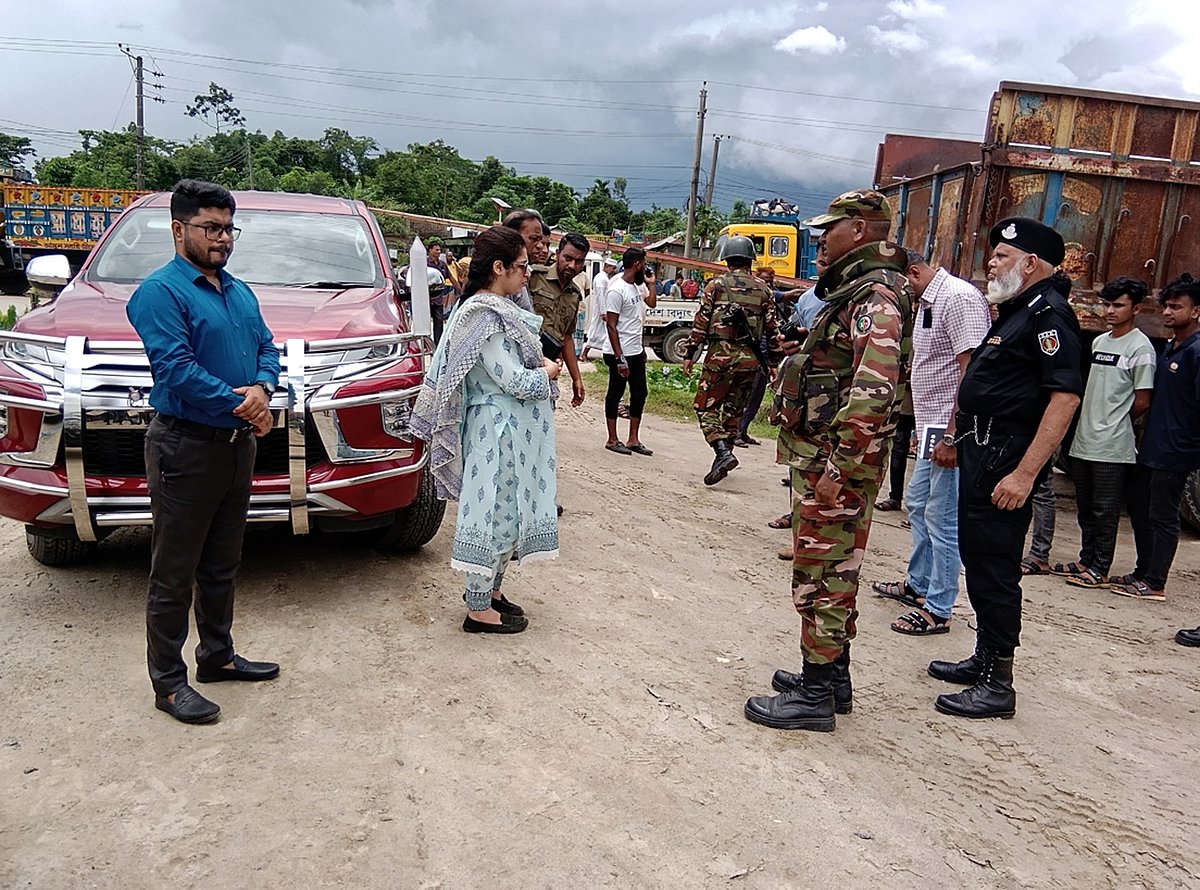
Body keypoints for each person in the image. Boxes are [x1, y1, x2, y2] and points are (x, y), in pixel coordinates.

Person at [744, 190, 913, 732]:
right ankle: (831, 678)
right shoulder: (859, 292)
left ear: (860, 231)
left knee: (822, 575)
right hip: (827, 457)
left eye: (829, 230)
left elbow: (873, 389)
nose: (819, 241)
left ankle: (815, 695)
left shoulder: (875, 299)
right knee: (833, 569)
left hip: (835, 463)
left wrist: (838, 468)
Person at [125, 179, 280, 725]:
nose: (222, 239)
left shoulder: (237, 290)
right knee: (174, 570)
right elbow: (176, 370)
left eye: (228, 228)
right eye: (210, 228)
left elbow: (266, 345)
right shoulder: (159, 294)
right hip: (185, 448)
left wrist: (262, 387)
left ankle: (217, 656)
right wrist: (247, 407)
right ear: (177, 229)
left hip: (236, 450)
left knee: (222, 563)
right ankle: (168, 683)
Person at [929, 217, 1082, 720]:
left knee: (996, 565)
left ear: (1030, 263)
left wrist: (1024, 474)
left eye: (1000, 256)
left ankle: (999, 683)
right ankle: (983, 658)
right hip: (983, 449)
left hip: (1006, 457)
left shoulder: (1050, 314)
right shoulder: (1017, 309)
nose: (991, 264)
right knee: (978, 556)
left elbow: (1064, 398)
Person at [411, 225, 561, 635]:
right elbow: (512, 379)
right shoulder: (483, 316)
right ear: (499, 268)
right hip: (494, 430)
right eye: (522, 265)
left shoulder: (494, 310)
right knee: (492, 512)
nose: (528, 272)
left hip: (508, 431)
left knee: (508, 510)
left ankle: (491, 592)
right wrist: (547, 371)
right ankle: (477, 609)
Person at [871, 248, 990, 636]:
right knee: (919, 505)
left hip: (948, 428)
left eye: (895, 282)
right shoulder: (927, 300)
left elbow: (971, 372)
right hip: (930, 427)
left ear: (912, 272)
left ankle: (940, 606)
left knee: (942, 517)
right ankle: (918, 585)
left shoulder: (958, 298)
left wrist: (954, 434)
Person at [1058, 278, 1155, 589]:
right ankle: (1086, 559)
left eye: (1118, 305)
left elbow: (1142, 400)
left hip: (1112, 445)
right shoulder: (1100, 343)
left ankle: (1100, 566)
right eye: (1107, 305)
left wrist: (1114, 422)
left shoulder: (1141, 347)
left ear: (1136, 308)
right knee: (1085, 506)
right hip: (1085, 439)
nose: (1110, 311)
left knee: (1105, 507)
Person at [1115, 273, 1200, 601]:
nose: (1167, 312)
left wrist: (1185, 442)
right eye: (1165, 306)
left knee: (1164, 515)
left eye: (1176, 307)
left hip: (1175, 449)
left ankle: (1155, 582)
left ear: (1195, 312)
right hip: (1153, 444)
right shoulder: (1170, 347)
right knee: (1141, 507)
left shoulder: (1195, 351)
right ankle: (1143, 570)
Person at [681, 236, 780, 485]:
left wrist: (690, 353)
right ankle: (724, 458)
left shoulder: (716, 286)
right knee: (735, 411)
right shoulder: (764, 289)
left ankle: (722, 452)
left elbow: (701, 323)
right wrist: (774, 363)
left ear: (727, 260)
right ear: (750, 261)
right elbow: (772, 330)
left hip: (720, 358)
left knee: (704, 407)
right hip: (750, 361)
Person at [602, 247, 655, 456]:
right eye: (645, 262)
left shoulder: (635, 287)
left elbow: (641, 314)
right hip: (619, 352)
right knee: (615, 393)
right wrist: (619, 358)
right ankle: (612, 438)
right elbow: (611, 325)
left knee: (640, 392)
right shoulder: (617, 289)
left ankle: (633, 438)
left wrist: (651, 284)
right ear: (638, 264)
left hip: (634, 351)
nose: (646, 266)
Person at [529, 232, 589, 408]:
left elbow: (567, 338)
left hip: (549, 368)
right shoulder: (534, 277)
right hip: (523, 364)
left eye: (578, 262)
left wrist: (576, 379)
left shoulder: (575, 295)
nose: (572, 265)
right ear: (557, 254)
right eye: (568, 258)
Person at [732, 266, 783, 449]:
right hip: (754, 353)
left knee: (757, 396)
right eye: (764, 280)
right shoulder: (755, 298)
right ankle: (737, 431)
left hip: (764, 354)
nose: (766, 284)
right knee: (748, 395)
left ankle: (742, 431)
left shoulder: (768, 298)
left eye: (769, 281)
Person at [875, 394, 915, 511]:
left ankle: (922, 508)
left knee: (924, 457)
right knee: (898, 451)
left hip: (930, 408)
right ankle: (895, 497)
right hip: (904, 406)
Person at [501, 209, 542, 312]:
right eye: (534, 239)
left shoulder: (520, 274)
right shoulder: (503, 276)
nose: (540, 246)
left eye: (540, 239)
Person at [583, 255, 618, 359]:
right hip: (601, 310)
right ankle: (584, 353)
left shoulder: (604, 278)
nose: (613, 271)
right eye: (612, 268)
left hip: (604, 309)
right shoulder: (601, 278)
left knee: (603, 333)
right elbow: (601, 295)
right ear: (607, 266)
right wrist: (603, 312)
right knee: (596, 332)